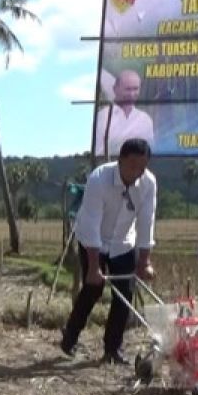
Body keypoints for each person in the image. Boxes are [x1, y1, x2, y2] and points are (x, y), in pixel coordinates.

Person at [60, 137, 157, 364]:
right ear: (120, 161)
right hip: (94, 240)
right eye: (133, 166)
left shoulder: (149, 183)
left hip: (124, 241)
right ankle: (70, 336)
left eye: (142, 167)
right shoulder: (99, 179)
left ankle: (112, 349)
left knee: (124, 294)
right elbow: (92, 222)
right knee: (93, 287)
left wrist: (145, 262)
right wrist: (94, 267)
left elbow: (146, 221)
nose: (138, 172)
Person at [94, 70, 154, 158]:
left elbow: (150, 152)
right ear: (115, 89)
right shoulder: (102, 117)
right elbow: (98, 152)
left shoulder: (145, 120)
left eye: (135, 89)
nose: (132, 94)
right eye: (128, 89)